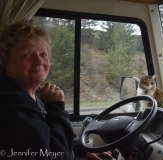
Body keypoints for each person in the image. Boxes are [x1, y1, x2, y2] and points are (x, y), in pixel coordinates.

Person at [0, 19, 112, 160]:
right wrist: (56, 108)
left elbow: (52, 135)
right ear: (6, 64)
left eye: (43, 54)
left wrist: (80, 150)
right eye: (27, 55)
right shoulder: (12, 112)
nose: (39, 61)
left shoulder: (37, 93)